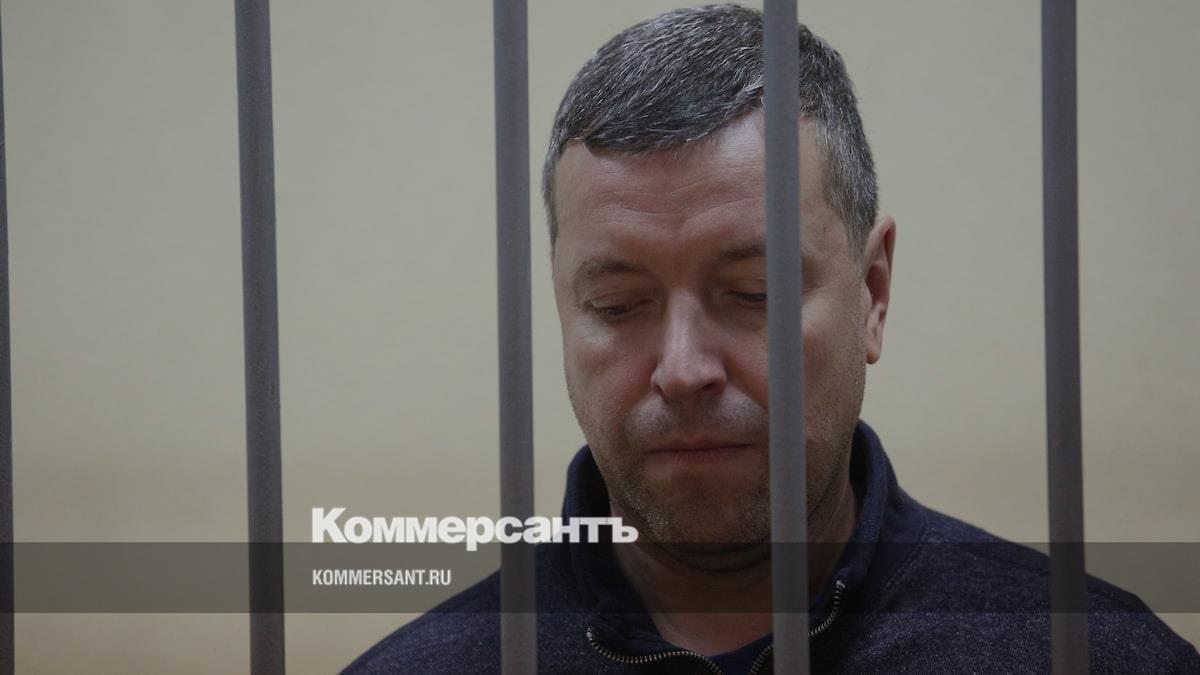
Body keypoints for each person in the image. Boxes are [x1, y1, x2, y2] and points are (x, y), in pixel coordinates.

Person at [345, 4, 1200, 673]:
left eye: (754, 294)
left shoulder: (1087, 652)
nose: (683, 369)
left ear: (872, 292)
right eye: (618, 304)